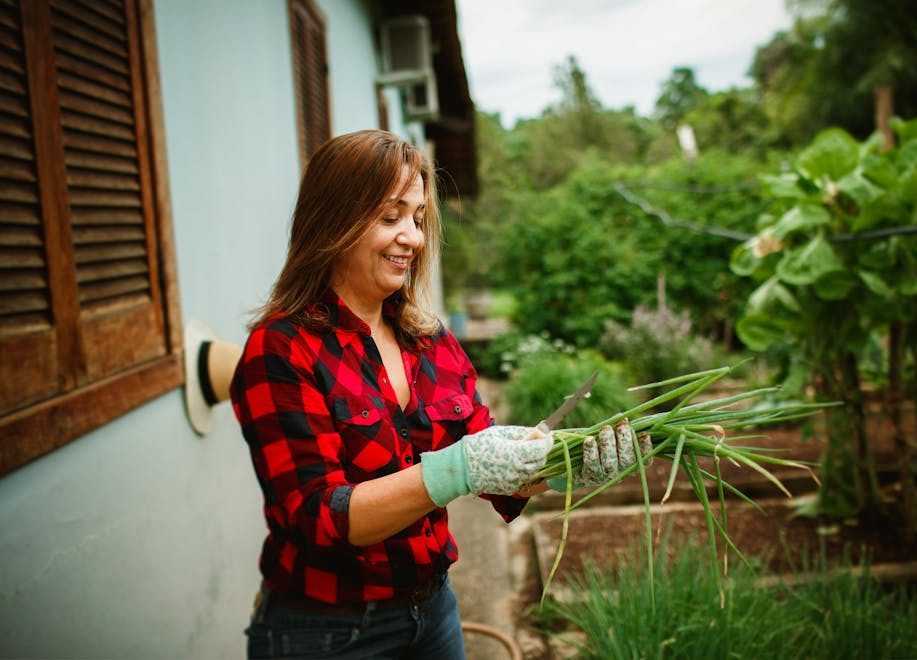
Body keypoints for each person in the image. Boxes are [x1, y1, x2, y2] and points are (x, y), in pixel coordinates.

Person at [230, 130, 643, 659]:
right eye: (390, 217)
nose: (413, 238)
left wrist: (569, 467)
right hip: (327, 632)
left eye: (419, 219)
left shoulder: (430, 340)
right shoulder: (283, 350)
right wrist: (455, 469)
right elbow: (319, 518)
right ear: (332, 221)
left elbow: (498, 473)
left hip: (433, 613)